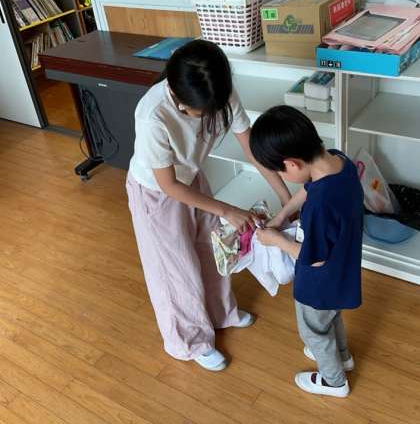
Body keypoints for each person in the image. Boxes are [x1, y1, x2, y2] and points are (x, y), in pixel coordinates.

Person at [126, 40, 291, 372]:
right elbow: (168, 185)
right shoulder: (152, 115)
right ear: (178, 97)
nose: (209, 118)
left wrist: (287, 199)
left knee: (212, 249)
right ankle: (190, 341)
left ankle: (221, 313)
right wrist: (227, 210)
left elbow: (252, 150)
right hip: (155, 193)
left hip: (192, 178)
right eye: (199, 113)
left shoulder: (219, 89)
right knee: (176, 268)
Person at [249, 105, 363, 398]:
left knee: (314, 330)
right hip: (343, 271)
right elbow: (308, 188)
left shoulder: (321, 207)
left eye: (279, 170)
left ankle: (334, 381)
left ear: (292, 164)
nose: (281, 175)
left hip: (319, 282)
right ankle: (343, 356)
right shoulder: (339, 161)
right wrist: (282, 215)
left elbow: (314, 259)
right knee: (330, 316)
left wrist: (275, 240)